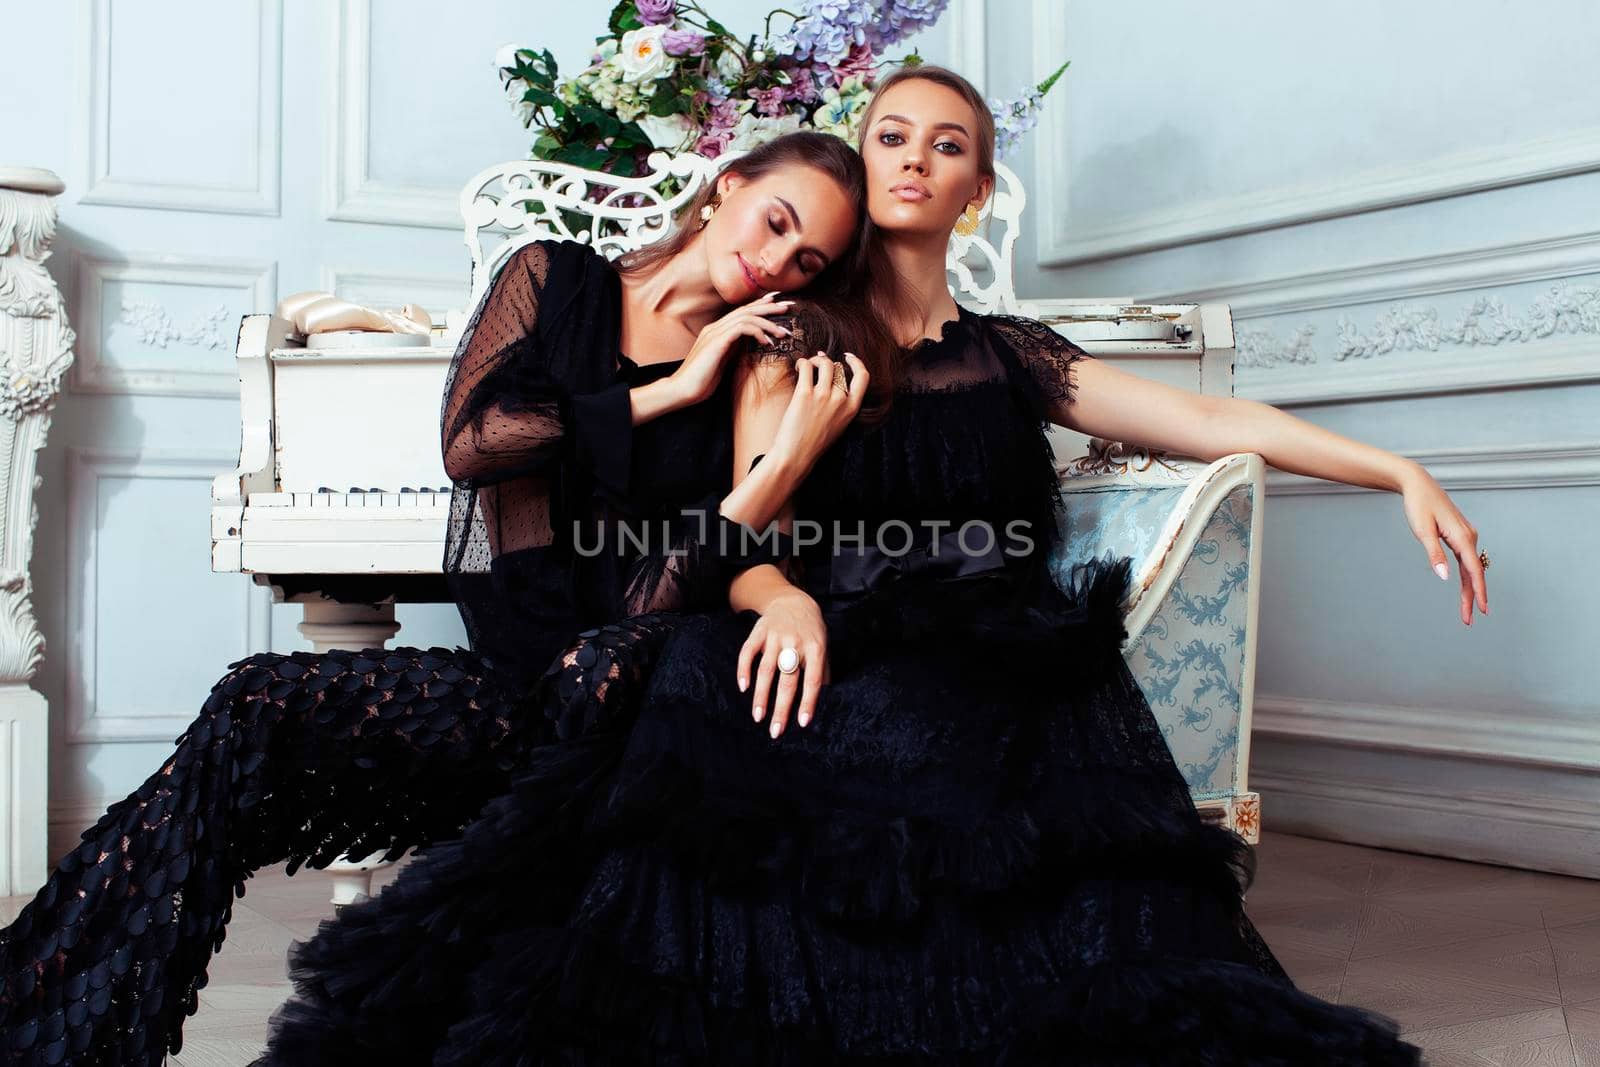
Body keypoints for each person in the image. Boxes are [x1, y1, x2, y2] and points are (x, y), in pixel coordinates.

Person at [252, 70, 1487, 1063]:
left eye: (945, 145)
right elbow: (746, 522)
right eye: (891, 134)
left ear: (979, 190)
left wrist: (1393, 468)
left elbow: (1216, 422)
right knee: (720, 712)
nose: (912, 157)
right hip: (827, 631)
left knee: (1007, 793)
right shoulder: (791, 340)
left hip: (1001, 651)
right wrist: (779, 593)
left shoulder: (1013, 353)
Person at [0, 131, 883, 1067]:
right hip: (513, 682)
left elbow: (671, 593)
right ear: (726, 186)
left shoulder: (760, 371)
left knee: (607, 663)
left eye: (806, 261)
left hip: (614, 700)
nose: (775, 260)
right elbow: (475, 442)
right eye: (776, 221)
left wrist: (765, 455)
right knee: (255, 700)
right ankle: (52, 1026)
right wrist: (670, 388)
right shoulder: (555, 278)